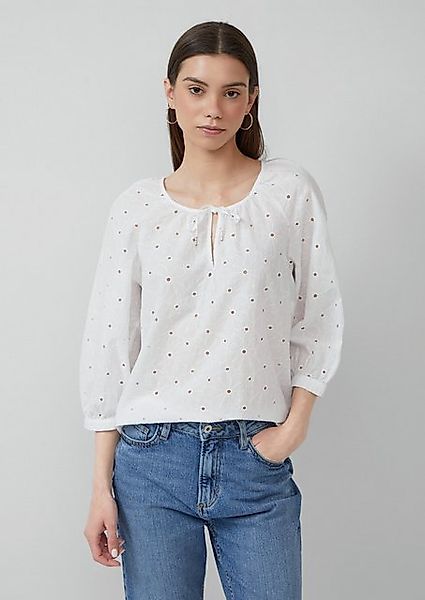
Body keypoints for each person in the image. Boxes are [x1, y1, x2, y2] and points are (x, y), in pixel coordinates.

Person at [80, 20, 344, 600]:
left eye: (232, 92)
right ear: (170, 93)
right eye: (197, 89)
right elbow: (109, 346)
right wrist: (101, 486)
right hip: (151, 462)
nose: (213, 109)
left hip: (255, 459)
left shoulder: (288, 192)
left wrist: (292, 429)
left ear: (251, 102)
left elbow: (319, 316)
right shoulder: (137, 208)